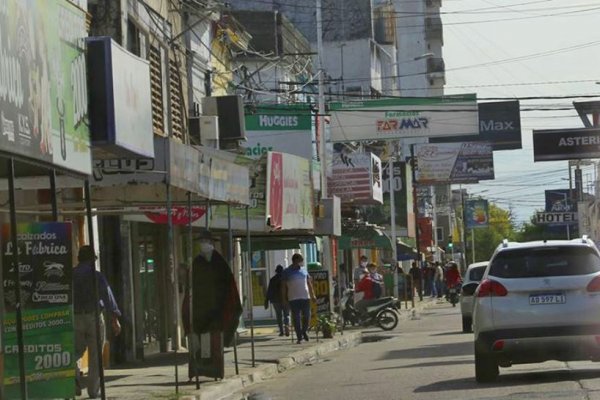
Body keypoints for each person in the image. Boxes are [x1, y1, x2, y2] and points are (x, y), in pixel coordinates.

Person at [182, 228, 243, 380]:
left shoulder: (219, 262)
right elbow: (190, 286)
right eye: (202, 242)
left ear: (211, 243)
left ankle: (215, 372)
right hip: (199, 311)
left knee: (213, 345)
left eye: (207, 242)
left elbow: (229, 285)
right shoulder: (196, 262)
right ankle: (198, 371)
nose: (204, 244)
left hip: (217, 311)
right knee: (198, 345)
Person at [73, 245, 121, 399]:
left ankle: (73, 378)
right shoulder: (97, 276)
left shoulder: (70, 275)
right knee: (95, 356)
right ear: (92, 259)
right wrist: (115, 319)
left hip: (75, 317)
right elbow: (108, 298)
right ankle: (93, 390)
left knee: (74, 351)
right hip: (94, 317)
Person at [281, 253, 316, 344]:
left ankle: (304, 330)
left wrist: (313, 295)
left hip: (305, 297)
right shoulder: (287, 272)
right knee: (296, 318)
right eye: (300, 260)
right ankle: (299, 336)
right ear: (295, 260)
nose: (302, 262)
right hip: (293, 298)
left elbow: (309, 283)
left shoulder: (304, 270)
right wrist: (284, 299)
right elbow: (283, 286)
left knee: (307, 316)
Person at [265, 265, 290, 336]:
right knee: (286, 314)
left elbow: (269, 291)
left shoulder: (273, 279)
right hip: (285, 299)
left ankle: (281, 331)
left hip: (275, 300)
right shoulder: (286, 279)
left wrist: (267, 300)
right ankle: (287, 326)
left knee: (279, 316)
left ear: (276, 271)